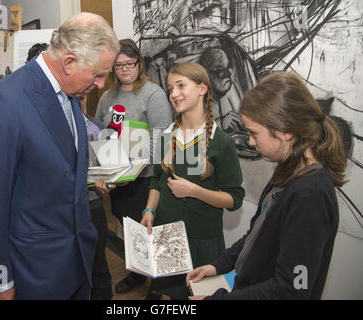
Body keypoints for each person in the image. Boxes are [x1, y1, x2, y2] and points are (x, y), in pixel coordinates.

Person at [0, 12, 120, 300]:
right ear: (70, 62)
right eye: (98, 74)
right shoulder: (4, 102)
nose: (101, 84)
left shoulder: (70, 94)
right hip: (33, 272)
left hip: (76, 262)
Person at [186, 71, 347, 300]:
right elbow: (257, 234)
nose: (250, 141)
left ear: (285, 132)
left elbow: (292, 290)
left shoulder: (310, 198)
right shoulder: (287, 171)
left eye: (254, 133)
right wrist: (219, 265)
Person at [140, 62, 245, 300]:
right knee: (174, 297)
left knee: (199, 296)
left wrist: (195, 191)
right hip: (167, 234)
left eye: (181, 86)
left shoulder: (221, 141)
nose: (174, 94)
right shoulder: (166, 135)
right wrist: (149, 209)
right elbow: (157, 180)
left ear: (202, 88)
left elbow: (234, 199)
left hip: (202, 241)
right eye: (170, 88)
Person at [95, 38, 173, 295]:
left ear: (139, 64)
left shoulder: (154, 94)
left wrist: (132, 171)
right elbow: (100, 134)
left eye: (130, 63)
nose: (125, 69)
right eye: (118, 65)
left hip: (147, 179)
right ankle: (137, 272)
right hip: (119, 178)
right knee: (129, 230)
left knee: (153, 231)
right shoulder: (107, 97)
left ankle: (159, 285)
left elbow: (160, 140)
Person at [80, 96, 114, 300]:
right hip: (60, 211)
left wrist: (106, 186)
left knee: (98, 264)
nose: (77, 99)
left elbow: (112, 170)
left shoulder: (98, 129)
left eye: (83, 96)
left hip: (92, 207)